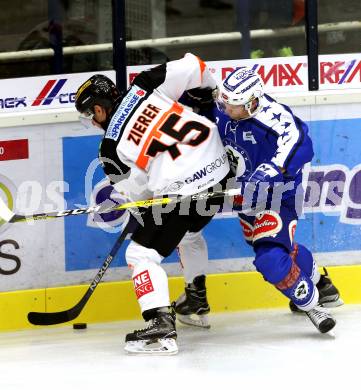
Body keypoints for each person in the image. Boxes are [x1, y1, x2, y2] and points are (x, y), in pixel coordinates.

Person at [74, 53, 231, 355]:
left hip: (182, 192)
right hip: (221, 174)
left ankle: (160, 322)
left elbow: (140, 195)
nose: (92, 122)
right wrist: (213, 97)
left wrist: (138, 210)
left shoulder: (109, 147)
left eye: (89, 116)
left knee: (141, 253)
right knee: (188, 233)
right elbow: (195, 66)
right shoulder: (144, 85)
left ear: (98, 109)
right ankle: (195, 299)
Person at [211, 66, 341, 333]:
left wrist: (267, 173)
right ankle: (322, 284)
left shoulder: (276, 118)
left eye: (232, 105)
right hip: (246, 198)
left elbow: (300, 144)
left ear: (251, 103)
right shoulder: (227, 107)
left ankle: (312, 304)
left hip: (279, 197)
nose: (225, 109)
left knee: (269, 258)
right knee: (277, 247)